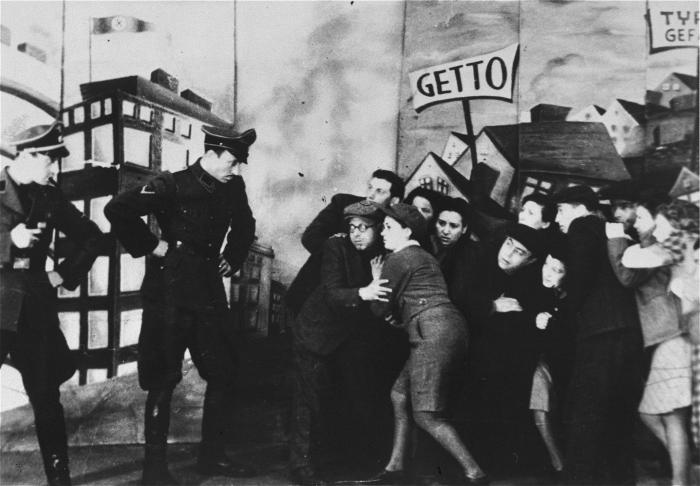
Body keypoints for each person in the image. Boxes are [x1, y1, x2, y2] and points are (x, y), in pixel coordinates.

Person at [104, 124, 257, 484]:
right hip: (168, 293)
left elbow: (245, 225)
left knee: (223, 372)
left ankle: (212, 457)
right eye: (232, 162)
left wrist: (232, 257)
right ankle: (154, 472)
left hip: (207, 292)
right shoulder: (169, 184)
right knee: (163, 378)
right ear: (212, 153)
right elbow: (117, 209)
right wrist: (151, 245)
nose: (235, 170)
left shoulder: (233, 186)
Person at [1, 122, 103, 486]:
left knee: (47, 401)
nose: (54, 171)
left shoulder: (50, 196)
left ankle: (60, 479)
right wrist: (7, 241)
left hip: (34, 313)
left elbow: (92, 237)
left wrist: (62, 274)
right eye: (50, 162)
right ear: (27, 156)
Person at [360, 203, 488, 485]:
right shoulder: (424, 256)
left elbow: (378, 310)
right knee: (399, 394)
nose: (382, 232)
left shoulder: (399, 259)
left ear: (407, 231)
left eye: (389, 227)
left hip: (432, 334)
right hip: (446, 329)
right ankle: (395, 467)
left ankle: (475, 473)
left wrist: (374, 280)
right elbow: (415, 300)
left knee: (426, 414)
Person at [289, 201, 389, 486]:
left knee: (332, 402)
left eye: (364, 228)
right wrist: (367, 291)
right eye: (352, 227)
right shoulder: (336, 247)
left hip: (346, 341)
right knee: (308, 404)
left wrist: (376, 285)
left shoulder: (383, 253)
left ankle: (330, 464)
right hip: (316, 335)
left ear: (379, 229)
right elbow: (334, 294)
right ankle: (301, 470)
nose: (356, 234)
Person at [553, 185, 643, 485]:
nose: (557, 219)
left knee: (585, 412)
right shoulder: (611, 230)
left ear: (579, 207)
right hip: (628, 330)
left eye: (561, 210)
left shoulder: (583, 226)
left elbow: (581, 276)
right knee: (619, 412)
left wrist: (565, 308)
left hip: (599, 331)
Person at [610, 199, 699, 486]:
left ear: (676, 223)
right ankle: (684, 474)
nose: (657, 228)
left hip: (678, 338)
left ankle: (681, 480)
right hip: (683, 336)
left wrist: (639, 235)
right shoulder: (690, 243)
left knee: (669, 417)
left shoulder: (679, 242)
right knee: (660, 414)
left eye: (661, 223)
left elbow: (631, 262)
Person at [466, 224, 547, 473]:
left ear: (531, 260)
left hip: (505, 369)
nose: (509, 253)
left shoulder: (533, 288)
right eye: (509, 243)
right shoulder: (482, 266)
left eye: (519, 252)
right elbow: (460, 298)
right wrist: (492, 306)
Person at [286, 169, 404, 315]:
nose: (370, 195)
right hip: (311, 292)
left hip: (352, 307)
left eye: (379, 191)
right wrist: (341, 254)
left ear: (394, 201)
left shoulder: (394, 225)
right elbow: (310, 237)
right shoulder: (342, 203)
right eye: (370, 187)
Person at [529, 235, 570, 476]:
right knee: (539, 406)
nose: (548, 273)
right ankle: (558, 465)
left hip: (561, 365)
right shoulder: (538, 291)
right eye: (547, 265)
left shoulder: (569, 300)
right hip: (540, 362)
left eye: (557, 270)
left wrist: (552, 323)